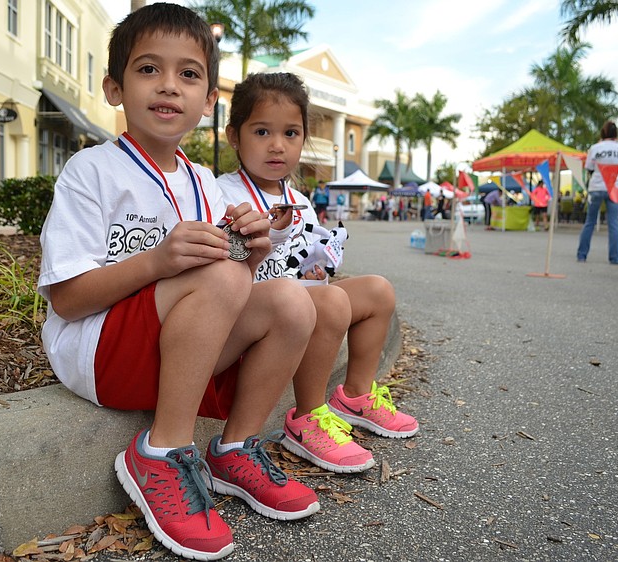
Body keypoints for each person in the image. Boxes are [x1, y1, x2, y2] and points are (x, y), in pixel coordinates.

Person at [37, 6, 320, 560]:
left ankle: (234, 449)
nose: (169, 85)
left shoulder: (204, 183)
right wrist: (158, 261)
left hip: (177, 355)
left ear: (209, 100)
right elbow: (67, 300)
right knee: (218, 273)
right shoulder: (91, 170)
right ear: (114, 88)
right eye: (148, 69)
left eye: (188, 74)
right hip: (97, 353)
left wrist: (252, 254)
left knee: (292, 301)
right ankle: (161, 451)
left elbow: (225, 291)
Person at [218, 72, 418, 474]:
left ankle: (356, 396)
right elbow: (223, 270)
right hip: (254, 312)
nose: (278, 145)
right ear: (234, 136)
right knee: (330, 300)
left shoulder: (300, 200)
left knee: (377, 291)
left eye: (291, 133)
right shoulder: (221, 193)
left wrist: (320, 265)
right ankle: (308, 416)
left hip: (301, 299)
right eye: (262, 131)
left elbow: (309, 260)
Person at [577, 120, 618, 264]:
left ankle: (582, 255)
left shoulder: (595, 148)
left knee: (590, 222)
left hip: (597, 186)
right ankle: (614, 257)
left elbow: (589, 168)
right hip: (614, 187)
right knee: (614, 223)